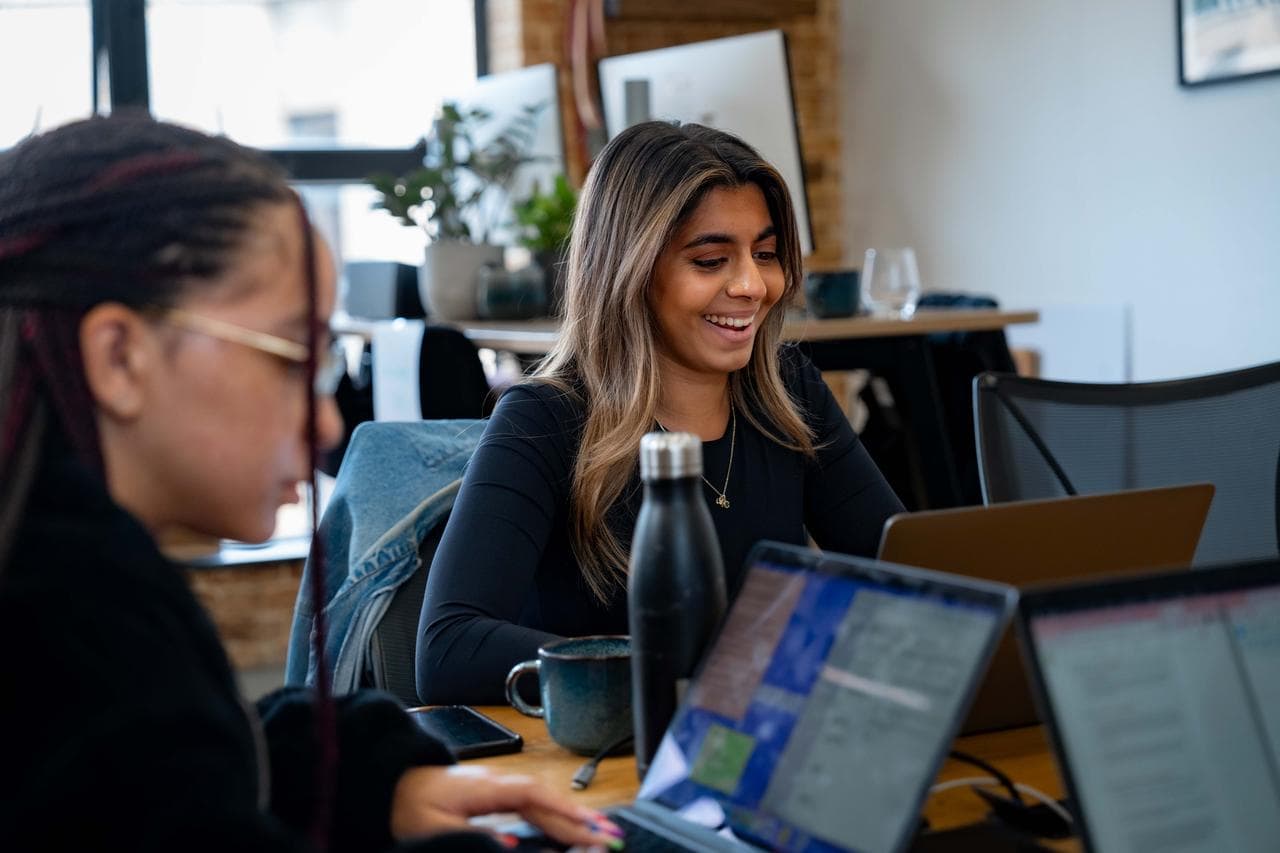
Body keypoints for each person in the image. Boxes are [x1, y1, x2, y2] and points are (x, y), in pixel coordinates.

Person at [0, 114, 623, 852]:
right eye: (294, 354)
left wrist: (373, 783)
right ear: (120, 357)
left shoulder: (73, 592)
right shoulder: (65, 633)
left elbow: (151, 784)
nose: (327, 424)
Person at [419, 122, 904, 705]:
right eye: (710, 260)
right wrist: (679, 674)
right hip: (609, 764)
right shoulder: (545, 419)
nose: (753, 284)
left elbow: (903, 576)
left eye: (767, 254)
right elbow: (447, 649)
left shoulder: (788, 392)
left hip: (746, 748)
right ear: (629, 271)